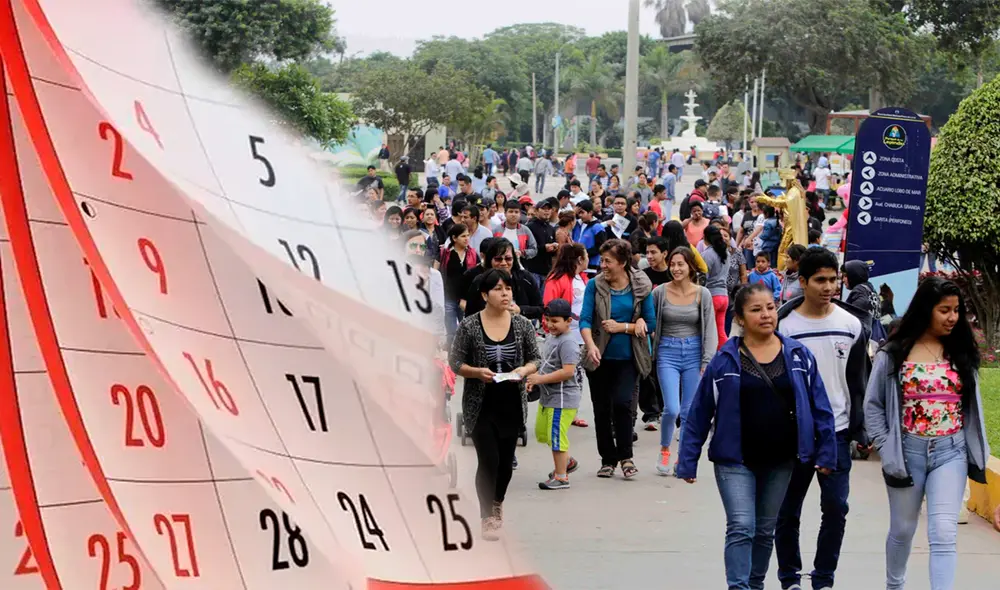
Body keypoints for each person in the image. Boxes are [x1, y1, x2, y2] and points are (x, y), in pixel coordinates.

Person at [677, 283, 838, 590]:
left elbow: (820, 407)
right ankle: (738, 587)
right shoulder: (724, 361)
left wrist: (826, 451)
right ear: (739, 317)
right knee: (741, 526)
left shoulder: (798, 356)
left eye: (769, 308)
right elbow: (699, 411)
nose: (766, 315)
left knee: (765, 530)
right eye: (756, 310)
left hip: (781, 459)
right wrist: (688, 459)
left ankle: (755, 584)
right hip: (734, 459)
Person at [864, 277, 990, 590]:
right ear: (925, 310)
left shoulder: (961, 352)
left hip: (952, 452)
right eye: (944, 310)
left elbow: (972, 409)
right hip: (908, 453)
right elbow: (873, 405)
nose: (952, 317)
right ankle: (895, 584)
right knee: (903, 530)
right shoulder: (894, 353)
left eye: (956, 310)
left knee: (944, 532)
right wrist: (886, 444)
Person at [774, 248, 873, 590]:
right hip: (792, 434)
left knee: (836, 509)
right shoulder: (783, 327)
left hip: (838, 433)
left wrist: (862, 426)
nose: (828, 286)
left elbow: (860, 381)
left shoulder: (851, 326)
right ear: (802, 282)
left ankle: (824, 578)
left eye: (833, 279)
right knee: (787, 512)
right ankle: (789, 577)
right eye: (820, 280)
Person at [449, 269, 541, 540]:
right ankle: (486, 516)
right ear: (484, 295)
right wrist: (477, 372)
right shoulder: (470, 325)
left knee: (504, 464)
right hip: (481, 403)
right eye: (498, 289)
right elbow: (455, 362)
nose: (505, 294)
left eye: (508, 289)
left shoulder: (522, 324)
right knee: (488, 460)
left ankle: (497, 501)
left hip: (512, 402)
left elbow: (536, 358)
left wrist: (524, 370)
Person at [580, 239, 656, 480]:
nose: (602, 265)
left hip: (628, 357)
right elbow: (584, 319)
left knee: (623, 404)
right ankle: (607, 460)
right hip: (600, 356)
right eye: (601, 260)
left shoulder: (642, 286)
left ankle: (626, 457)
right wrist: (590, 346)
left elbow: (651, 323)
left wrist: (626, 326)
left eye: (608, 261)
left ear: (622, 263)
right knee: (602, 410)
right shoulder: (595, 285)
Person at [651, 246, 717, 475]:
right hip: (666, 352)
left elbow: (710, 328)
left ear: (690, 266)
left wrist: (707, 361)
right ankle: (665, 448)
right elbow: (650, 321)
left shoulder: (702, 293)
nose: (676, 269)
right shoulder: (659, 292)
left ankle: (683, 457)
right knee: (671, 408)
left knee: (689, 411)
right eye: (673, 264)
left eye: (681, 264)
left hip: (693, 353)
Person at [528, 298, 584, 490]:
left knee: (557, 437)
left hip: (562, 398)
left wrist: (540, 379)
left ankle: (561, 477)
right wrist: (534, 378)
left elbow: (568, 371)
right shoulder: (552, 338)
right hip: (548, 396)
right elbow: (547, 363)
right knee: (543, 433)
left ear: (568, 321)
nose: (550, 325)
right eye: (548, 320)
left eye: (555, 321)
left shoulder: (568, 342)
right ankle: (567, 462)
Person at [461, 238, 543, 321]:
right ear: (490, 260)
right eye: (498, 259)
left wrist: (520, 310)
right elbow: (469, 315)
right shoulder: (480, 281)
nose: (503, 263)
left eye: (508, 259)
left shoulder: (526, 278)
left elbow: (541, 309)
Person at [702, 225, 730, 350]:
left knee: (709, 331)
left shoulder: (707, 254)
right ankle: (725, 356)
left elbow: (703, 276)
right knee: (720, 330)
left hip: (712, 296)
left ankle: (710, 358)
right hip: (724, 296)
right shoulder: (726, 253)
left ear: (706, 238)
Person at [524, 197, 558, 292]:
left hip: (546, 271)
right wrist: (544, 248)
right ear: (537, 210)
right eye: (543, 209)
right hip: (533, 270)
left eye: (548, 209)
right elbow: (527, 248)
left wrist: (554, 248)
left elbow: (553, 252)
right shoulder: (530, 227)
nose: (546, 211)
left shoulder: (551, 228)